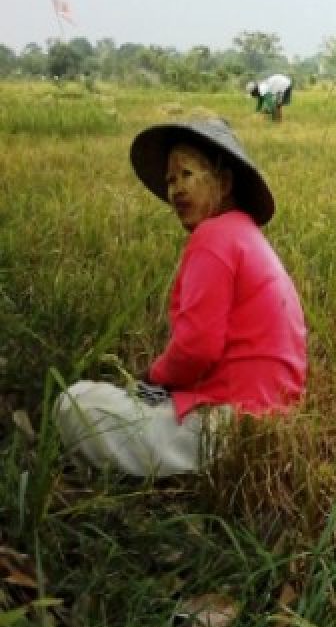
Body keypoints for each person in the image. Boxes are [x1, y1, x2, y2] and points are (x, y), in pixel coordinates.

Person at [54, 119, 307, 477]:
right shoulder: (244, 235)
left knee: (74, 404)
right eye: (170, 180)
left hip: (229, 428)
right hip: (268, 420)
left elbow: (197, 348)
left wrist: (151, 378)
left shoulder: (214, 238)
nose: (175, 190)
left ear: (224, 182)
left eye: (187, 174)